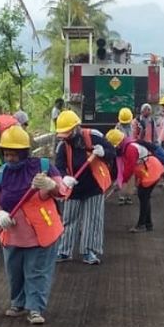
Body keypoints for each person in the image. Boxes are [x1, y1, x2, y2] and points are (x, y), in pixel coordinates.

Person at [0, 125, 73, 324]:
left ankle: (35, 308)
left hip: (41, 231)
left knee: (37, 271)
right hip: (13, 233)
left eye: (14, 154)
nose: (9, 159)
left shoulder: (43, 167)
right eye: (6, 154)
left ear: (24, 152)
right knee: (14, 271)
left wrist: (52, 186)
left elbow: (62, 191)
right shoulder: (1, 174)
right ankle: (18, 303)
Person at [53, 110, 115, 265]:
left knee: (92, 219)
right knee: (69, 219)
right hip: (74, 188)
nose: (65, 137)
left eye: (67, 133)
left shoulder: (92, 136)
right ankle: (64, 251)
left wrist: (102, 152)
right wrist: (64, 178)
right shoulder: (62, 146)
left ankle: (89, 251)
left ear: (75, 128)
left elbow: (112, 152)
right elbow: (58, 167)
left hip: (94, 186)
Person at [107, 128, 164, 233]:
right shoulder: (129, 144)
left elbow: (129, 168)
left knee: (143, 197)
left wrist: (122, 182)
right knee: (144, 197)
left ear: (118, 143)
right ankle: (148, 224)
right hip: (150, 169)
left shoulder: (130, 149)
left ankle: (142, 225)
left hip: (151, 171)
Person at [114, 107, 136, 205]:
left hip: (130, 154)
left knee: (130, 173)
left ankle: (128, 195)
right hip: (121, 155)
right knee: (122, 173)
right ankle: (122, 196)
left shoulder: (133, 126)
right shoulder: (118, 128)